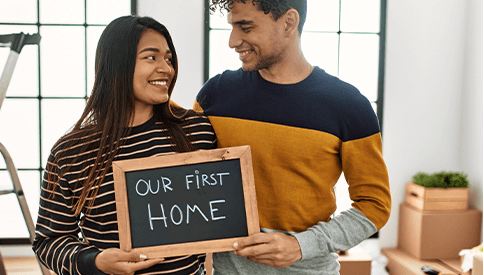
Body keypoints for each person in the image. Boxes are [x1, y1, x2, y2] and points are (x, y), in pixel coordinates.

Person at [194, 0, 391, 274]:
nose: (232, 41)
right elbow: (187, 183)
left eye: (245, 27)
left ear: (288, 22)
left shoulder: (348, 106)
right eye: (232, 27)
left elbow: (375, 205)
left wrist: (300, 245)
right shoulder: (214, 95)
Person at [32, 15, 217, 275]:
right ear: (116, 65)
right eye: (151, 57)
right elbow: (48, 241)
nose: (166, 68)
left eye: (168, 58)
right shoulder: (70, 152)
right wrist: (95, 261)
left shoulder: (197, 131)